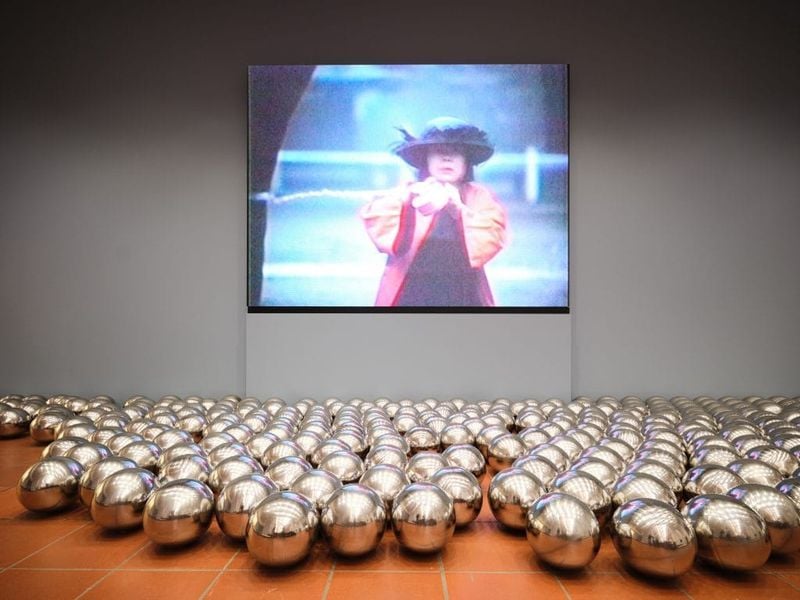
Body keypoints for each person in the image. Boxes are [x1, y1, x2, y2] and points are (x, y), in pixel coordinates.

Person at [360, 117, 508, 307]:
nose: (447, 158)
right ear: (426, 160)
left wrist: (457, 209)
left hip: (463, 294)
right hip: (410, 294)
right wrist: (409, 202)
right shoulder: (406, 192)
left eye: (456, 152)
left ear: (466, 162)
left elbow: (492, 238)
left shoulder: (479, 197)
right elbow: (376, 221)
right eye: (439, 151)